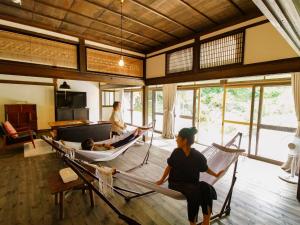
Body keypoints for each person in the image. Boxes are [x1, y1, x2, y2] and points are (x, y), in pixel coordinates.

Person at [156, 127, 224, 225]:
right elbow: (169, 167)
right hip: (176, 184)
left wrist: (216, 174)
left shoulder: (197, 155)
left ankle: (206, 222)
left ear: (185, 140)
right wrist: (162, 179)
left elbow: (205, 168)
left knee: (206, 187)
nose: (176, 139)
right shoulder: (176, 153)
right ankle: (193, 223)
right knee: (194, 191)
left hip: (192, 184)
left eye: (178, 137)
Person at [81, 128, 145, 151]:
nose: (93, 143)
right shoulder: (96, 151)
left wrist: (102, 144)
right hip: (112, 147)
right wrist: (105, 145)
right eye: (92, 142)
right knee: (124, 142)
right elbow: (110, 148)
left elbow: (98, 145)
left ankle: (136, 135)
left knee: (122, 140)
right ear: (90, 146)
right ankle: (136, 135)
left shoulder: (93, 147)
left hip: (109, 145)